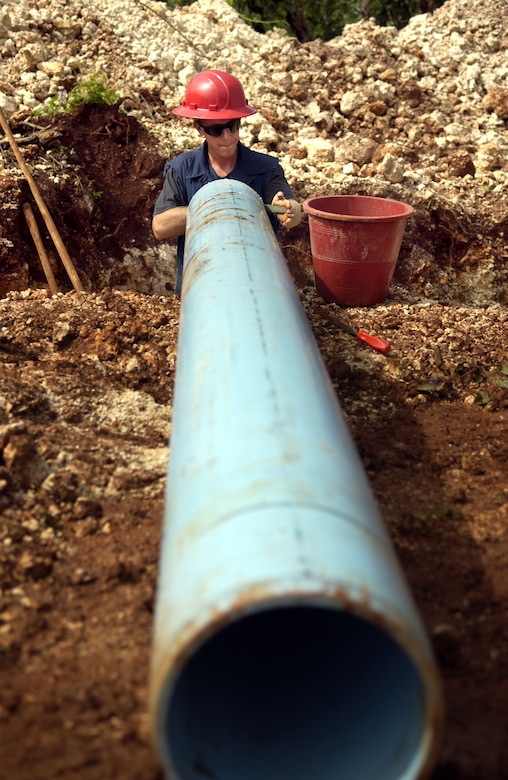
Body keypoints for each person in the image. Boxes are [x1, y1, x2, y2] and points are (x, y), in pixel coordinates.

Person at [152, 70, 302, 294]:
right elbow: (160, 227)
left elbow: (293, 210)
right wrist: (215, 206)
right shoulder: (182, 170)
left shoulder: (265, 169)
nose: (227, 136)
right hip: (201, 290)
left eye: (232, 126)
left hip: (257, 287)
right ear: (199, 127)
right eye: (216, 129)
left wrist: (290, 211)